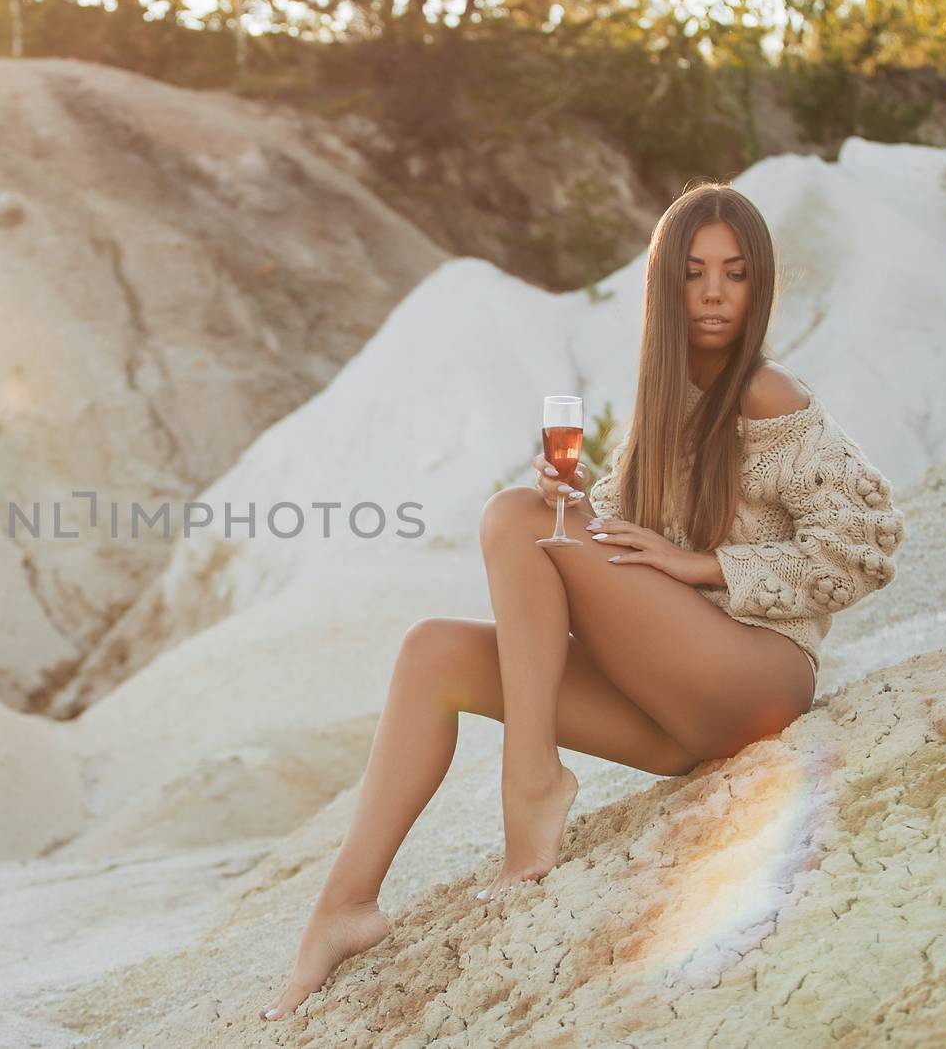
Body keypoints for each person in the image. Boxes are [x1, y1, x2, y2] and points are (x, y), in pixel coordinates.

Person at [260, 181, 906, 1022]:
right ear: (666, 286)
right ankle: (344, 907)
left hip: (757, 676)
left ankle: (529, 788)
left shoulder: (768, 394)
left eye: (736, 273)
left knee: (515, 517)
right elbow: (609, 545)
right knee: (434, 651)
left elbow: (869, 543)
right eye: (696, 273)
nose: (714, 293)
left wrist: (704, 565)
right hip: (676, 716)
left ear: (760, 286)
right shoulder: (662, 406)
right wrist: (573, 504)